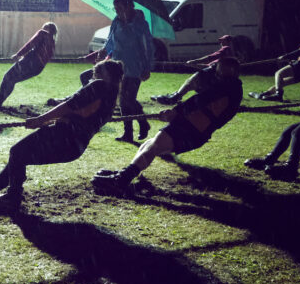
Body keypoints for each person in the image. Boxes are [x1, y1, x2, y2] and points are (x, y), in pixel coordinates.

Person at [0, 59, 124, 211]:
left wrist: (40, 119)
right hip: (74, 145)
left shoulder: (99, 85)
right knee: (19, 157)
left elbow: (70, 105)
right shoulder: (110, 96)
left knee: (18, 152)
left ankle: (12, 198)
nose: (93, 76)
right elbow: (81, 112)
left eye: (97, 72)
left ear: (105, 75)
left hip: (64, 136)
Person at [92, 57, 243, 195]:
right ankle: (126, 174)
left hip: (193, 131)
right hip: (190, 127)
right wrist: (178, 101)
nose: (215, 74)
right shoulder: (225, 81)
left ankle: (121, 180)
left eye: (219, 73)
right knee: (148, 144)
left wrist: (176, 112)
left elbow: (200, 101)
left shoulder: (230, 89)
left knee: (155, 146)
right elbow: (201, 79)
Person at [83, 0, 154, 143]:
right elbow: (110, 40)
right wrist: (104, 51)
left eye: (120, 9)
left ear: (129, 7)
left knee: (128, 99)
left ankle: (142, 123)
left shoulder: (141, 24)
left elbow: (149, 47)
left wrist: (147, 67)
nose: (117, 12)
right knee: (123, 101)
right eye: (115, 9)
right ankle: (130, 131)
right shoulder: (116, 21)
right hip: (117, 66)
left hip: (135, 65)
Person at [152, 34, 236, 104]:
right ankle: (176, 96)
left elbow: (211, 58)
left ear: (228, 42)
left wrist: (195, 61)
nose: (221, 42)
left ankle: (175, 97)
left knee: (191, 81)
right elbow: (209, 66)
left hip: (215, 77)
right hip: (215, 76)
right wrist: (193, 65)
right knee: (191, 84)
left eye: (223, 40)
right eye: (220, 40)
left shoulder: (226, 49)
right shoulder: (228, 54)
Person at [0, 23, 57, 109]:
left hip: (30, 62)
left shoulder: (42, 33)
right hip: (38, 68)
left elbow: (30, 44)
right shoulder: (52, 41)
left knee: (8, 77)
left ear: (47, 28)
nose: (41, 28)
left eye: (43, 27)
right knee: (12, 80)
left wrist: (18, 55)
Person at [249, 24, 300, 101]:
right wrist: (296, 60)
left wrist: (284, 57)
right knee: (281, 82)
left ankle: (278, 95)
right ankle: (265, 94)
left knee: (278, 74)